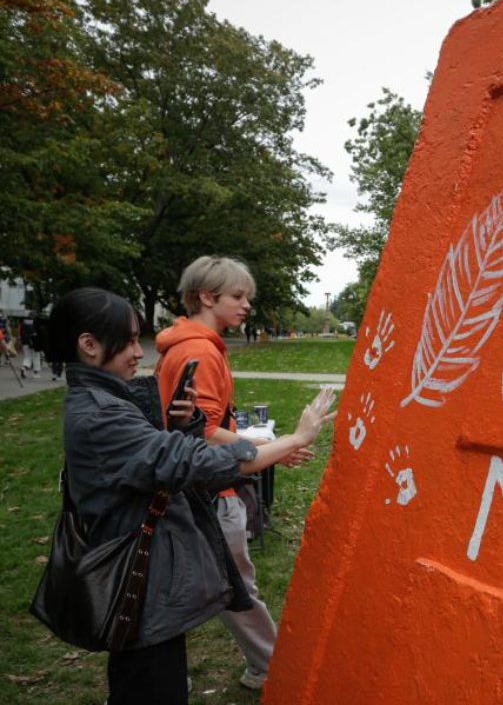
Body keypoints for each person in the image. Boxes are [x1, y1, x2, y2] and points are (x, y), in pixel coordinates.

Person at [47, 287, 336, 705]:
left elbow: (153, 461)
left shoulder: (106, 399)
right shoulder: (100, 414)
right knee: (149, 680)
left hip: (148, 578)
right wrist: (295, 438)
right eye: (127, 341)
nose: (137, 353)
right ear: (89, 345)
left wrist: (183, 423)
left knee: (148, 674)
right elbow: (191, 463)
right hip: (139, 580)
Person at [154, 256, 302, 691]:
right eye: (238, 297)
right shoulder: (198, 349)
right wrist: (272, 448)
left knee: (188, 587)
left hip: (194, 488)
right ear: (206, 296)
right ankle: (269, 668)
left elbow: (203, 427)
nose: (246, 306)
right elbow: (203, 432)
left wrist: (266, 449)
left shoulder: (188, 345)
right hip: (210, 494)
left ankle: (157, 676)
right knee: (235, 586)